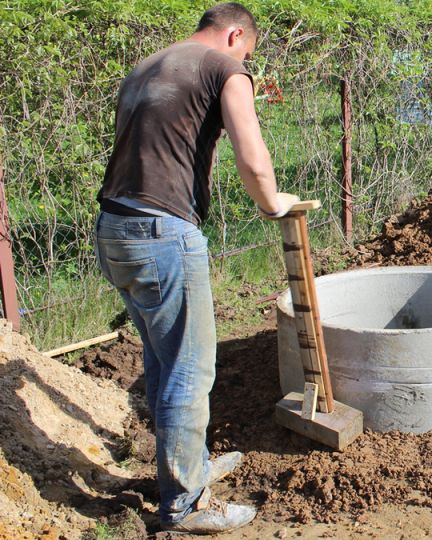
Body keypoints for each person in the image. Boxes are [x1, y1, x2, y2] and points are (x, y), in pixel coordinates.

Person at [94, 3, 297, 534]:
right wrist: (272, 202)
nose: (245, 62)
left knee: (164, 361)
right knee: (189, 370)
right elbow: (252, 155)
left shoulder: (149, 65)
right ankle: (185, 504)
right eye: (247, 52)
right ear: (235, 35)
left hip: (115, 228)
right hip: (160, 234)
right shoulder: (224, 68)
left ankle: (190, 465)